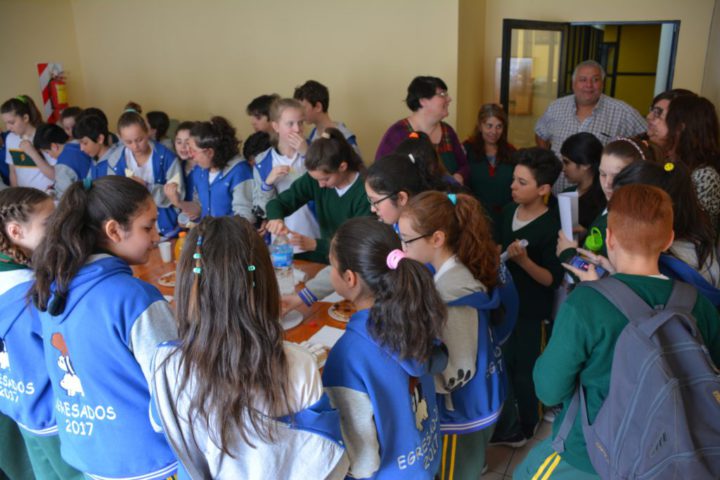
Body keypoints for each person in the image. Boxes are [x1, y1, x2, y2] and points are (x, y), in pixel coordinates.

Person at [514, 184, 720, 479]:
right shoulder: (697, 303)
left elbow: (548, 390)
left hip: (589, 455)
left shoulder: (586, 303)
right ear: (669, 240)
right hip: (669, 454)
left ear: (609, 238)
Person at [151, 216, 348, 479]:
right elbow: (326, 459)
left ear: (187, 284)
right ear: (265, 282)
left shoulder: (167, 363)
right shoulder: (299, 364)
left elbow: (160, 426)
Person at [30, 176, 178, 479]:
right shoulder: (135, 298)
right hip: (150, 462)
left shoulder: (53, 288)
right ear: (113, 230)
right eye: (147, 227)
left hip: (90, 455)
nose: (157, 236)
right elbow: (175, 392)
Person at [399, 191, 516, 480]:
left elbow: (457, 370)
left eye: (406, 239)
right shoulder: (461, 266)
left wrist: (415, 373)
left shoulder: (451, 294)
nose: (401, 247)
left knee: (455, 472)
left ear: (437, 238)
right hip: (479, 395)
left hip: (462, 410)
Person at [323, 217, 448, 479]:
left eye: (331, 266)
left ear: (349, 278)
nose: (329, 271)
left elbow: (363, 462)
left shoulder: (347, 357)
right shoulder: (415, 314)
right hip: (425, 460)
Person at [0, 187, 82, 479]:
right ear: (15, 231)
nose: (58, 229)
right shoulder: (28, 294)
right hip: (56, 413)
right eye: (49, 223)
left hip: (19, 410)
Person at [495, 148, 564, 443]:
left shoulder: (551, 226)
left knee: (527, 371)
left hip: (531, 311)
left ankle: (528, 423)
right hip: (503, 305)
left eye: (522, 182)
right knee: (505, 365)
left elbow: (551, 279)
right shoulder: (509, 212)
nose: (513, 186)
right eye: (514, 179)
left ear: (544, 189)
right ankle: (509, 423)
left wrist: (524, 262)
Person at [534, 60, 646, 192]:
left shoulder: (622, 111)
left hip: (599, 194)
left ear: (603, 84)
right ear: (573, 84)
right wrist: (550, 162)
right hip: (556, 190)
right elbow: (540, 133)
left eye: (595, 79)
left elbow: (647, 139)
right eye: (583, 79)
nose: (589, 85)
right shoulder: (556, 107)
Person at [266, 127, 371, 264]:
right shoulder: (315, 180)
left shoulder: (366, 192)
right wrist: (276, 219)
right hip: (327, 259)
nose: (320, 185)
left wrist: (316, 244)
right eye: (316, 179)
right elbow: (277, 203)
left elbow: (358, 243)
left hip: (353, 263)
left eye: (326, 179)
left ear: (342, 167)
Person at [556, 137, 655, 264]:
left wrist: (568, 254)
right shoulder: (611, 204)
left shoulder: (629, 221)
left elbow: (603, 278)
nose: (607, 184)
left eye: (617, 176)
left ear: (638, 175)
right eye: (602, 174)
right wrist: (587, 235)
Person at [108, 105, 185, 237]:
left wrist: (147, 187)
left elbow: (179, 195)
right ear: (120, 138)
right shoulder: (115, 160)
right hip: (132, 230)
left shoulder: (166, 158)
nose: (135, 146)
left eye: (139, 139)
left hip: (164, 228)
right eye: (128, 142)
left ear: (148, 132)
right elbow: (112, 196)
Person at [375, 76, 468, 184]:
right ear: (423, 101)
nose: (449, 99)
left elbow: (464, 165)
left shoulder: (448, 132)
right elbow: (380, 173)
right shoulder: (397, 133)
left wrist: (460, 176)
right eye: (442, 94)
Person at [253, 98, 320, 245]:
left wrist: (308, 154)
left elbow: (327, 185)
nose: (297, 129)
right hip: (282, 240)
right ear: (276, 126)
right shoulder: (262, 162)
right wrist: (268, 184)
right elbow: (263, 210)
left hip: (315, 235)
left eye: (300, 122)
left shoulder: (317, 151)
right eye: (290, 124)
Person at [166, 117, 253, 221]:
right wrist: (178, 202)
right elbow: (199, 208)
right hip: (209, 235)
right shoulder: (200, 170)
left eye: (193, 150)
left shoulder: (239, 171)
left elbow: (245, 217)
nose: (190, 154)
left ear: (209, 152)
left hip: (230, 236)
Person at [665, 95, 720, 228]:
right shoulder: (673, 162)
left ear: (680, 129)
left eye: (667, 122)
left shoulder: (705, 176)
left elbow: (680, 223)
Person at [464, 104, 517, 235]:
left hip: (505, 220)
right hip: (475, 221)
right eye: (489, 125)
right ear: (480, 126)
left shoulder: (511, 152)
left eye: (499, 126)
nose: (494, 131)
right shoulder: (466, 150)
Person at [1, 95, 56, 190]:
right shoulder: (10, 138)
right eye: (6, 123)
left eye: (12, 122)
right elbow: (13, 172)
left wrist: (33, 152)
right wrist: (16, 195)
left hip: (46, 196)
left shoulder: (45, 136)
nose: (8, 128)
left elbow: (55, 175)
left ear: (25, 118)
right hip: (24, 198)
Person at [293, 79, 360, 154]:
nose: (300, 113)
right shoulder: (314, 133)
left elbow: (357, 165)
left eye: (303, 108)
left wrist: (306, 152)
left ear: (318, 107)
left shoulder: (345, 137)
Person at [558, 132, 606, 235]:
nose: (563, 168)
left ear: (585, 164)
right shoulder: (567, 194)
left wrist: (586, 234)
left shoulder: (604, 200)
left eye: (567, 162)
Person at [33, 123, 92, 199]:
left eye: (47, 152)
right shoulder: (79, 144)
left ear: (54, 146)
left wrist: (53, 193)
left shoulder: (62, 167)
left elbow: (64, 196)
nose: (50, 155)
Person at [73, 110, 120, 180]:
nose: (81, 148)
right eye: (80, 143)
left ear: (100, 139)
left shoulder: (115, 161)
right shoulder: (95, 159)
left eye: (85, 143)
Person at [644, 88, 696, 153]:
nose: (648, 117)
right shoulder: (641, 148)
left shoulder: (697, 161)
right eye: (652, 110)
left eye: (657, 112)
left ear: (681, 124)